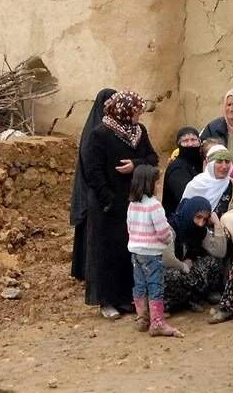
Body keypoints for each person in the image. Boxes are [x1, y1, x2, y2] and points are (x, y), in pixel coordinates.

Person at [81, 90, 159, 319]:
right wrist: (109, 199)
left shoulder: (138, 132)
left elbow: (152, 158)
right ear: (123, 111)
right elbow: (93, 171)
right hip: (106, 204)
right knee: (106, 252)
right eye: (136, 111)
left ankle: (125, 298)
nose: (139, 115)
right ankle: (106, 301)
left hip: (132, 201)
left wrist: (135, 164)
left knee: (128, 251)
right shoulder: (100, 134)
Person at [126, 164, 183, 337]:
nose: (158, 187)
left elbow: (129, 227)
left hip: (136, 251)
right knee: (155, 285)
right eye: (156, 183)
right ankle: (157, 322)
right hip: (151, 253)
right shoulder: (154, 206)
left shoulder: (132, 204)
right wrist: (168, 239)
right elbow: (162, 231)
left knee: (140, 284)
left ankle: (142, 317)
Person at [70, 88, 116, 281]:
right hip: (93, 189)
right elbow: (91, 165)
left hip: (101, 188)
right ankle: (88, 272)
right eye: (109, 102)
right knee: (91, 231)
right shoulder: (95, 132)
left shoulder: (109, 128)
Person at [162, 195, 227, 314]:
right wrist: (183, 265)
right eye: (198, 217)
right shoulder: (170, 228)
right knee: (173, 275)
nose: (201, 223)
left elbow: (220, 252)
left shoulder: (200, 231)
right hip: (167, 271)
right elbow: (167, 260)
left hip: (187, 269)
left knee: (212, 262)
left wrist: (217, 224)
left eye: (205, 219)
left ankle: (194, 298)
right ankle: (174, 303)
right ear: (189, 213)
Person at [181, 145, 233, 217]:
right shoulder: (195, 186)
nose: (224, 166)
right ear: (210, 164)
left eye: (227, 161)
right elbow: (183, 215)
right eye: (219, 161)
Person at [161, 127, 203, 216]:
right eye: (185, 141)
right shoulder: (177, 168)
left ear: (199, 142)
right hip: (179, 218)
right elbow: (185, 196)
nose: (190, 144)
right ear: (179, 144)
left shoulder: (202, 163)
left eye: (193, 140)